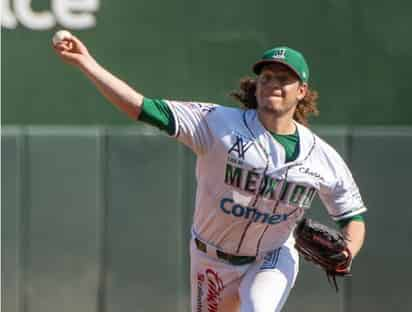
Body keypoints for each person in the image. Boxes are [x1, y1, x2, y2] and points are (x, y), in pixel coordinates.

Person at [53, 36, 366, 312]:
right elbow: (141, 107)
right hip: (211, 260)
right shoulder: (216, 123)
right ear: (256, 86)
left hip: (271, 256)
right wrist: (87, 63)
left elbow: (352, 215)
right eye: (267, 76)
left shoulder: (323, 158)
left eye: (284, 79)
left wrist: (348, 249)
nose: (273, 83)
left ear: (301, 91)